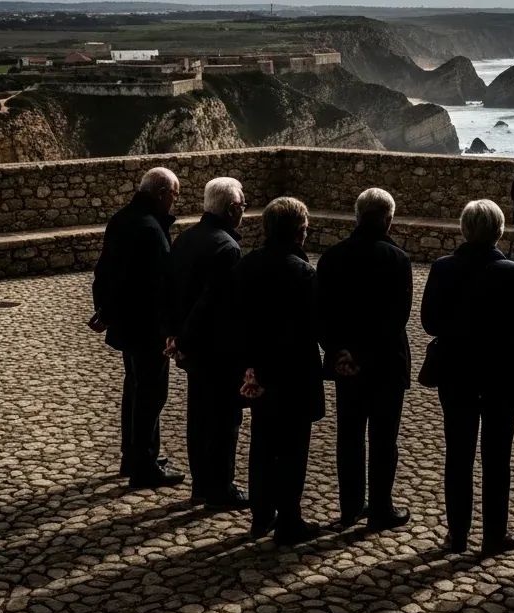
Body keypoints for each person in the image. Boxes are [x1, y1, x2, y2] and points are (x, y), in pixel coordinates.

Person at [421, 199, 514, 555]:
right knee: (497, 453)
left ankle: (457, 535)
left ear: (464, 228)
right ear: (499, 231)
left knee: (458, 452)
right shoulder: (512, 272)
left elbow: (429, 322)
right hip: (501, 372)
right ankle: (494, 534)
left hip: (456, 370)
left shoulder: (443, 268)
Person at [317, 188, 413, 531]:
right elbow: (396, 319)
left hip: (346, 364)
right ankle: (381, 508)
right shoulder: (397, 260)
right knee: (384, 438)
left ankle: (350, 506)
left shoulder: (331, 257)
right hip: (386, 363)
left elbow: (322, 315)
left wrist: (341, 351)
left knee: (350, 435)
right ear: (388, 220)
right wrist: (366, 354)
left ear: (356, 216)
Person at [234, 197, 325, 546]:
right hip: (296, 376)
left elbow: (237, 321)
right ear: (300, 233)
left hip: (259, 372)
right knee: (292, 451)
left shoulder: (246, 266)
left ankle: (261, 516)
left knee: (261, 443)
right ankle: (290, 521)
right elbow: (316, 326)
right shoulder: (303, 274)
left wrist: (249, 367)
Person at [92, 166, 184, 489]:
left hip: (126, 325)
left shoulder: (121, 219)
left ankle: (132, 455)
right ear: (161, 195)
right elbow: (162, 288)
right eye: (175, 194)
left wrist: (103, 310)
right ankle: (144, 465)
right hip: (148, 329)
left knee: (134, 388)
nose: (176, 200)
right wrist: (172, 329)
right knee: (151, 394)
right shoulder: (152, 230)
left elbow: (103, 271)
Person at [168, 177, 247, 511]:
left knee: (198, 415)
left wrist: (174, 336)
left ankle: (201, 484)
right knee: (224, 420)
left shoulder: (185, 239)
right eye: (242, 205)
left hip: (190, 348)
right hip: (217, 350)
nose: (244, 210)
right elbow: (213, 303)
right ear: (231, 209)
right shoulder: (227, 249)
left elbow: (169, 291)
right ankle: (221, 487)